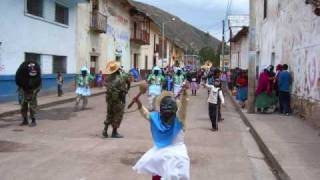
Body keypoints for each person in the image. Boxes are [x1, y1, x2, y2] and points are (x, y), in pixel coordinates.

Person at [132, 85, 190, 180]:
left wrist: (139, 104)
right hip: (177, 156)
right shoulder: (179, 119)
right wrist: (185, 94)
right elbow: (183, 107)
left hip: (162, 155)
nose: (167, 109)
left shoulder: (160, 118)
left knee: (157, 170)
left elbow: (146, 114)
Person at [103, 61, 130, 138]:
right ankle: (114, 132)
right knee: (118, 114)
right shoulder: (122, 76)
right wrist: (127, 89)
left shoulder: (108, 77)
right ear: (118, 69)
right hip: (118, 99)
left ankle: (105, 130)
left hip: (109, 98)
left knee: (109, 114)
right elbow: (128, 82)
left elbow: (105, 84)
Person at [15, 60, 42, 127]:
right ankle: (25, 120)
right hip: (24, 92)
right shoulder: (22, 75)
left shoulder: (36, 78)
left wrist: (34, 93)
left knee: (32, 106)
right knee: (23, 106)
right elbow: (19, 83)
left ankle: (33, 120)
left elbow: (38, 86)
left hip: (32, 92)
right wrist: (21, 91)